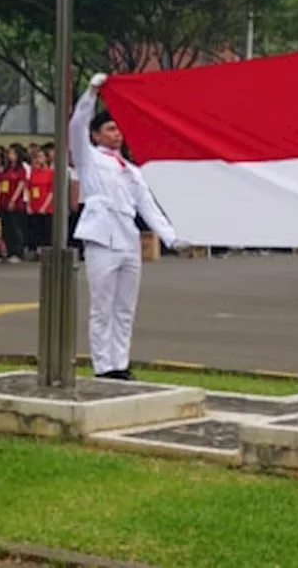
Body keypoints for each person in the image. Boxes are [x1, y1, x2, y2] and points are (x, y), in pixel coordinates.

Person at [73, 74, 187, 380]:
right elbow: (75, 126)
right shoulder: (89, 158)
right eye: (110, 129)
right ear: (96, 135)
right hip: (101, 234)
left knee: (125, 307)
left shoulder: (133, 171)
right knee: (102, 306)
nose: (117, 134)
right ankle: (103, 366)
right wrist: (90, 93)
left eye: (118, 129)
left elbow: (147, 207)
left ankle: (120, 363)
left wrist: (173, 238)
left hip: (127, 236)